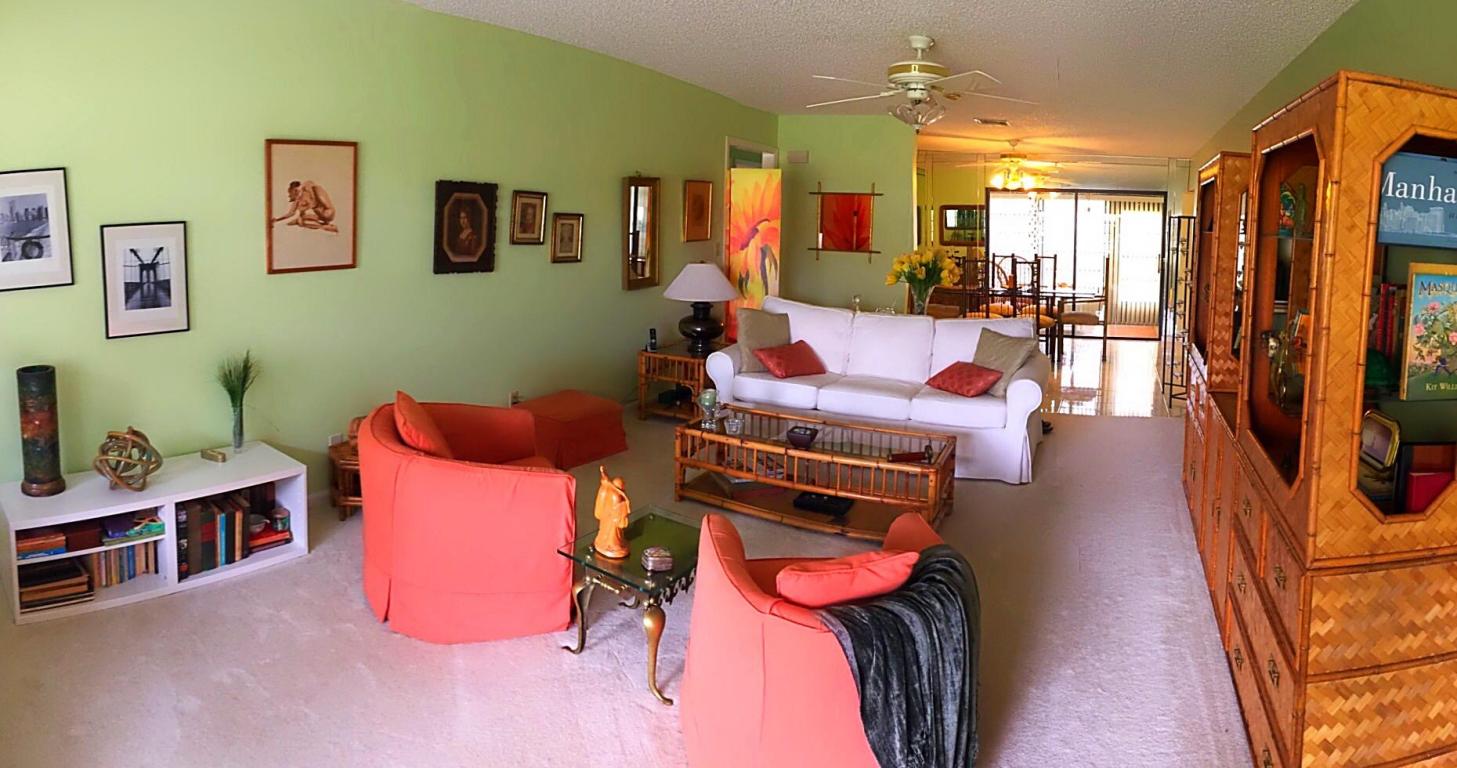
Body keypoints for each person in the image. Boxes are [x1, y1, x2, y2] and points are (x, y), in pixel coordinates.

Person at [271, 180, 339, 233]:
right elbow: (290, 213)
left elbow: (311, 202)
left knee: (300, 220)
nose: (289, 196)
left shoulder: (308, 189)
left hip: (328, 213)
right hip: (322, 215)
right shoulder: (298, 200)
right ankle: (325, 225)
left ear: (294, 190)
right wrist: (277, 220)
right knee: (300, 220)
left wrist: (303, 209)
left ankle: (326, 227)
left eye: (290, 193)